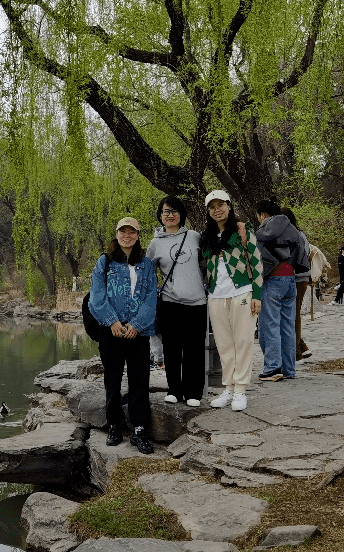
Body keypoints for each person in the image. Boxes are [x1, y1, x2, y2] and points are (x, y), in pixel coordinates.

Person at [88, 217, 158, 453]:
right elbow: (97, 297)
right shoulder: (105, 262)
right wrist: (112, 322)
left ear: (138, 235)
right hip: (112, 331)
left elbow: (151, 297)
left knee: (139, 380)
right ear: (116, 235)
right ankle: (114, 425)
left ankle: (139, 429)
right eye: (122, 231)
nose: (127, 236)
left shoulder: (147, 264)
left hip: (139, 331)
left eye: (132, 232)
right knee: (113, 380)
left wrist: (137, 324)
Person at [200, 191, 263, 411]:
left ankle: (240, 390)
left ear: (229, 206)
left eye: (221, 205)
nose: (217, 210)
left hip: (242, 292)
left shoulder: (242, 230)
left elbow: (256, 262)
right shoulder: (206, 236)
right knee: (224, 344)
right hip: (216, 295)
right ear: (208, 211)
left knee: (243, 341)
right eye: (212, 207)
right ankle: (228, 387)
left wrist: (257, 294)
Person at [146, 195, 207, 407]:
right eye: (166, 212)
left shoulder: (194, 237)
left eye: (174, 211)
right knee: (171, 348)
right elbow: (148, 273)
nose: (170, 215)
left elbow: (206, 264)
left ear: (181, 214)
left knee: (194, 349)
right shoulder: (155, 244)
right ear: (160, 216)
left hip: (197, 302)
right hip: (170, 302)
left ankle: (194, 393)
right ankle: (174, 389)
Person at [254, 199, 302, 382]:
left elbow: (259, 257)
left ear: (263, 215)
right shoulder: (293, 230)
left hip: (272, 280)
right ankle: (289, 369)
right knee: (288, 326)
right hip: (290, 279)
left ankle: (273, 368)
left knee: (270, 324)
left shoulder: (263, 231)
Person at [281, 209, 312, 361]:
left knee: (294, 314)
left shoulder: (296, 235)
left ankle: (296, 350)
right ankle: (300, 345)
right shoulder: (299, 234)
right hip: (298, 277)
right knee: (292, 313)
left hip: (298, 278)